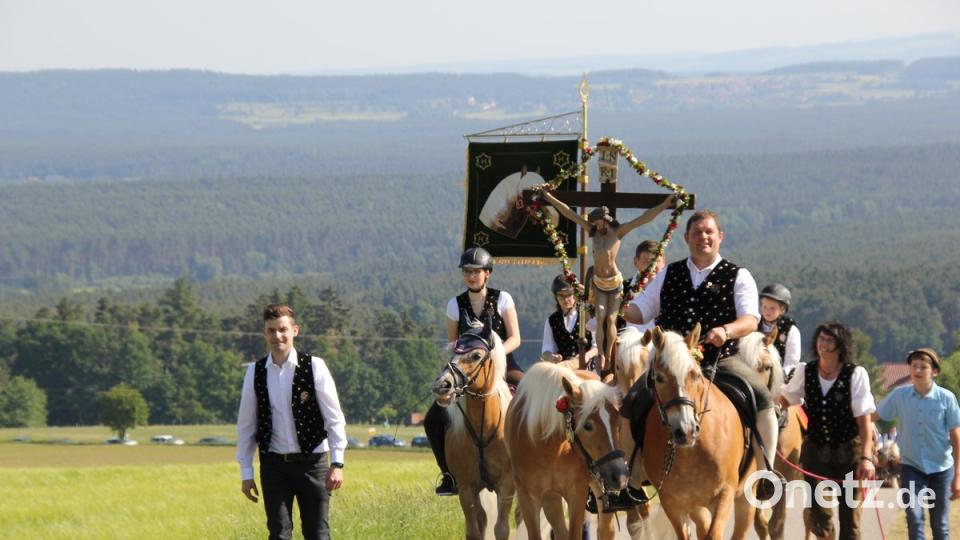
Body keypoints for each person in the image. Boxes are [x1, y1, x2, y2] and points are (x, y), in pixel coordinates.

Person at [623, 209, 781, 498]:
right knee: (632, 400)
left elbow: (750, 319)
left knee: (763, 399)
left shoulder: (738, 275)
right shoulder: (669, 273)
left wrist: (727, 331)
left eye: (709, 232)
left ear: (720, 237)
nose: (703, 237)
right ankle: (632, 481)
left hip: (721, 359)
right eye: (697, 232)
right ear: (686, 238)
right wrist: (613, 302)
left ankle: (765, 474)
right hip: (671, 364)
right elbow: (640, 310)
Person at [236, 304, 347, 540]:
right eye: (271, 330)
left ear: (294, 330)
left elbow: (334, 418)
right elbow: (246, 426)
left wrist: (337, 463)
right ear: (264, 334)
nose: (278, 336)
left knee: (317, 534)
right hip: (274, 466)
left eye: (283, 329)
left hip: (313, 463)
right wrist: (246, 472)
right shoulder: (255, 372)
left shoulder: (315, 366)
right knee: (278, 535)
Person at [541, 191, 675, 375]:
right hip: (623, 358)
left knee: (611, 318)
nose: (650, 268)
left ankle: (608, 355)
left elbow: (643, 218)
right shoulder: (593, 232)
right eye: (646, 261)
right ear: (636, 261)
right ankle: (605, 356)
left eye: (655, 262)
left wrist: (665, 204)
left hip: (658, 356)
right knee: (604, 317)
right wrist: (549, 199)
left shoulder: (619, 233)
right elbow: (570, 214)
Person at [424, 247, 523, 496]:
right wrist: (462, 356)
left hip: (504, 366)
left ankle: (528, 466)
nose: (471, 276)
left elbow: (515, 338)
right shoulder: (454, 305)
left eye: (476, 272)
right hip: (468, 370)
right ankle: (449, 474)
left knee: (528, 399)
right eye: (467, 272)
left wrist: (494, 355)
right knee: (433, 418)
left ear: (487, 274)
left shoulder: (503, 299)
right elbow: (453, 342)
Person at [780, 321, 877, 540]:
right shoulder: (806, 371)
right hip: (815, 453)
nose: (823, 343)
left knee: (850, 518)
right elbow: (787, 398)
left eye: (829, 339)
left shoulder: (856, 374)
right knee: (818, 516)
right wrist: (767, 406)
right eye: (821, 338)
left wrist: (866, 458)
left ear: (840, 344)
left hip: (849, 454)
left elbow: (864, 421)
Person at [875, 347, 960, 540]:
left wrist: (958, 476)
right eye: (914, 366)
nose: (918, 370)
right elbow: (873, 415)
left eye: (923, 367)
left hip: (942, 469)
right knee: (914, 518)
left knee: (940, 524)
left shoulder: (946, 398)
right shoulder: (899, 395)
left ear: (934, 371)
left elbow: (956, 437)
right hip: (911, 467)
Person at [540, 274, 597, 370]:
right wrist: (552, 357)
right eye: (561, 295)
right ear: (556, 297)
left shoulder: (587, 316)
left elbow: (597, 346)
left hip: (587, 368)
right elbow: (546, 350)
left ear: (575, 295)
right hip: (562, 369)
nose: (566, 299)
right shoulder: (551, 320)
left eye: (569, 295)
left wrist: (586, 356)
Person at [758, 283, 802, 378]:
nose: (767, 311)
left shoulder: (790, 330)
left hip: (779, 377)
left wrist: (780, 377)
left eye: (772, 308)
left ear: (782, 309)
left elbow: (791, 361)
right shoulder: (754, 325)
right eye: (764, 307)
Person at [623, 239, 666, 334]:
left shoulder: (670, 287)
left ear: (664, 262)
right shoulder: (623, 288)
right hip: (629, 343)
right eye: (647, 261)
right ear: (636, 261)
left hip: (660, 343)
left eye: (657, 261)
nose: (653, 266)